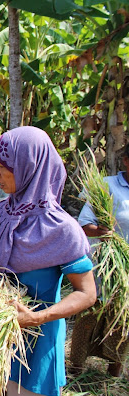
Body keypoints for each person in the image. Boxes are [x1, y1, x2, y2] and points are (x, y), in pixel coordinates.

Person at [0, 126, 97, 396]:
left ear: (29, 166)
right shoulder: (1, 214)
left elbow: (87, 294)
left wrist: (36, 318)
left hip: (36, 345)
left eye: (4, 167)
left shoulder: (61, 228)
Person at [71, 144, 129, 377]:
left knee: (123, 316)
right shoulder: (107, 185)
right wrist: (104, 232)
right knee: (91, 313)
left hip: (125, 265)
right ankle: (76, 367)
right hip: (102, 263)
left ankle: (114, 368)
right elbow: (85, 225)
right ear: (126, 161)